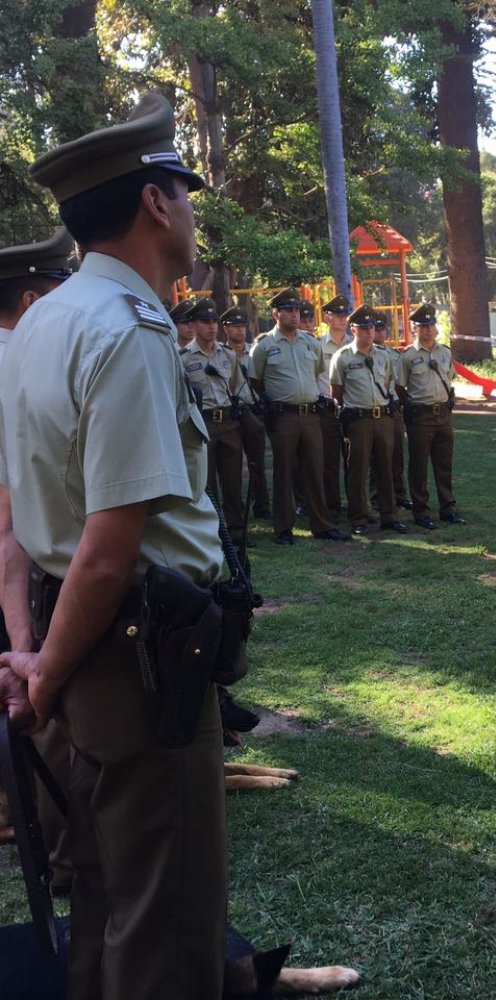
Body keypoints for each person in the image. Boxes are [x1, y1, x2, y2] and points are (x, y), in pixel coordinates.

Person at [0, 92, 227, 999]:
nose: (193, 211)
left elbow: (19, 517)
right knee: (165, 915)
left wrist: (32, 652)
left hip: (72, 630)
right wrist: (48, 671)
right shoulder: (126, 329)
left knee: (102, 894)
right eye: (186, 189)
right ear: (157, 201)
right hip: (132, 650)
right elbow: (108, 544)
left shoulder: (42, 324)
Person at [0, 228, 76, 894]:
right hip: (19, 571)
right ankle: (63, 860)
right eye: (61, 289)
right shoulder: (17, 364)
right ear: (32, 298)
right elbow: (11, 522)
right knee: (46, 717)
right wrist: (26, 642)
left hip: (14, 563)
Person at [249, 287, 346, 545]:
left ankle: (322, 525)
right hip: (284, 417)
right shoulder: (265, 345)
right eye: (288, 310)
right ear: (276, 313)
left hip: (311, 415)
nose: (295, 314)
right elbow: (255, 380)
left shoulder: (310, 343)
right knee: (284, 472)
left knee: (315, 470)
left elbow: (316, 374)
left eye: (297, 310)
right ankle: (283, 529)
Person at [329, 303, 408, 536]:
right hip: (358, 421)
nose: (369, 332)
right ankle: (359, 518)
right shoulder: (341, 357)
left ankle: (389, 516)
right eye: (363, 328)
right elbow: (336, 393)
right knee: (358, 471)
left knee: (386, 469)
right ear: (353, 330)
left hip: (382, 418)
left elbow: (388, 384)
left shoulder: (385, 356)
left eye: (372, 327)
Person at [181, 297, 249, 547]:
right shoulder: (185, 358)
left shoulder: (227, 355)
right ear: (194, 324)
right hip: (203, 425)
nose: (211, 327)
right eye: (205, 321)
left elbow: (236, 386)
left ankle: (237, 532)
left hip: (228, 423)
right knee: (206, 483)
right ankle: (212, 533)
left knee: (232, 481)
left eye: (214, 321)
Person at [398, 303, 466, 529]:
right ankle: (421, 511)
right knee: (418, 466)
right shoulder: (407, 356)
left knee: (444, 464)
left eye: (431, 325)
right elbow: (400, 387)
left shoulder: (445, 352)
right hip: (421, 417)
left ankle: (448, 508)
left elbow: (450, 378)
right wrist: (411, 408)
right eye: (422, 326)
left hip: (443, 415)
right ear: (415, 328)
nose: (428, 330)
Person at [221, 303, 271, 519]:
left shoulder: (255, 352)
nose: (240, 330)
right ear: (225, 329)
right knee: (231, 467)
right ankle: (236, 509)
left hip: (254, 412)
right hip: (233, 414)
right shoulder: (220, 354)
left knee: (257, 462)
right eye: (234, 326)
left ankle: (261, 506)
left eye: (242, 326)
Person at [317, 294, 353, 521]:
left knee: (354, 462)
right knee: (329, 463)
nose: (342, 318)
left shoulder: (354, 343)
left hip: (352, 410)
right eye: (337, 315)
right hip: (328, 410)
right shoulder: (316, 345)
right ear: (327, 317)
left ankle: (356, 506)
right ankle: (332, 507)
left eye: (345, 315)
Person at [373, 310, 409, 513]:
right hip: (378, 409)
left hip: (394, 410)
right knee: (377, 457)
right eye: (375, 329)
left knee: (397, 455)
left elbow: (400, 383)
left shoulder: (395, 355)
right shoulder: (366, 354)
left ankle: (399, 495)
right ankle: (377, 497)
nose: (379, 332)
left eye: (381, 328)